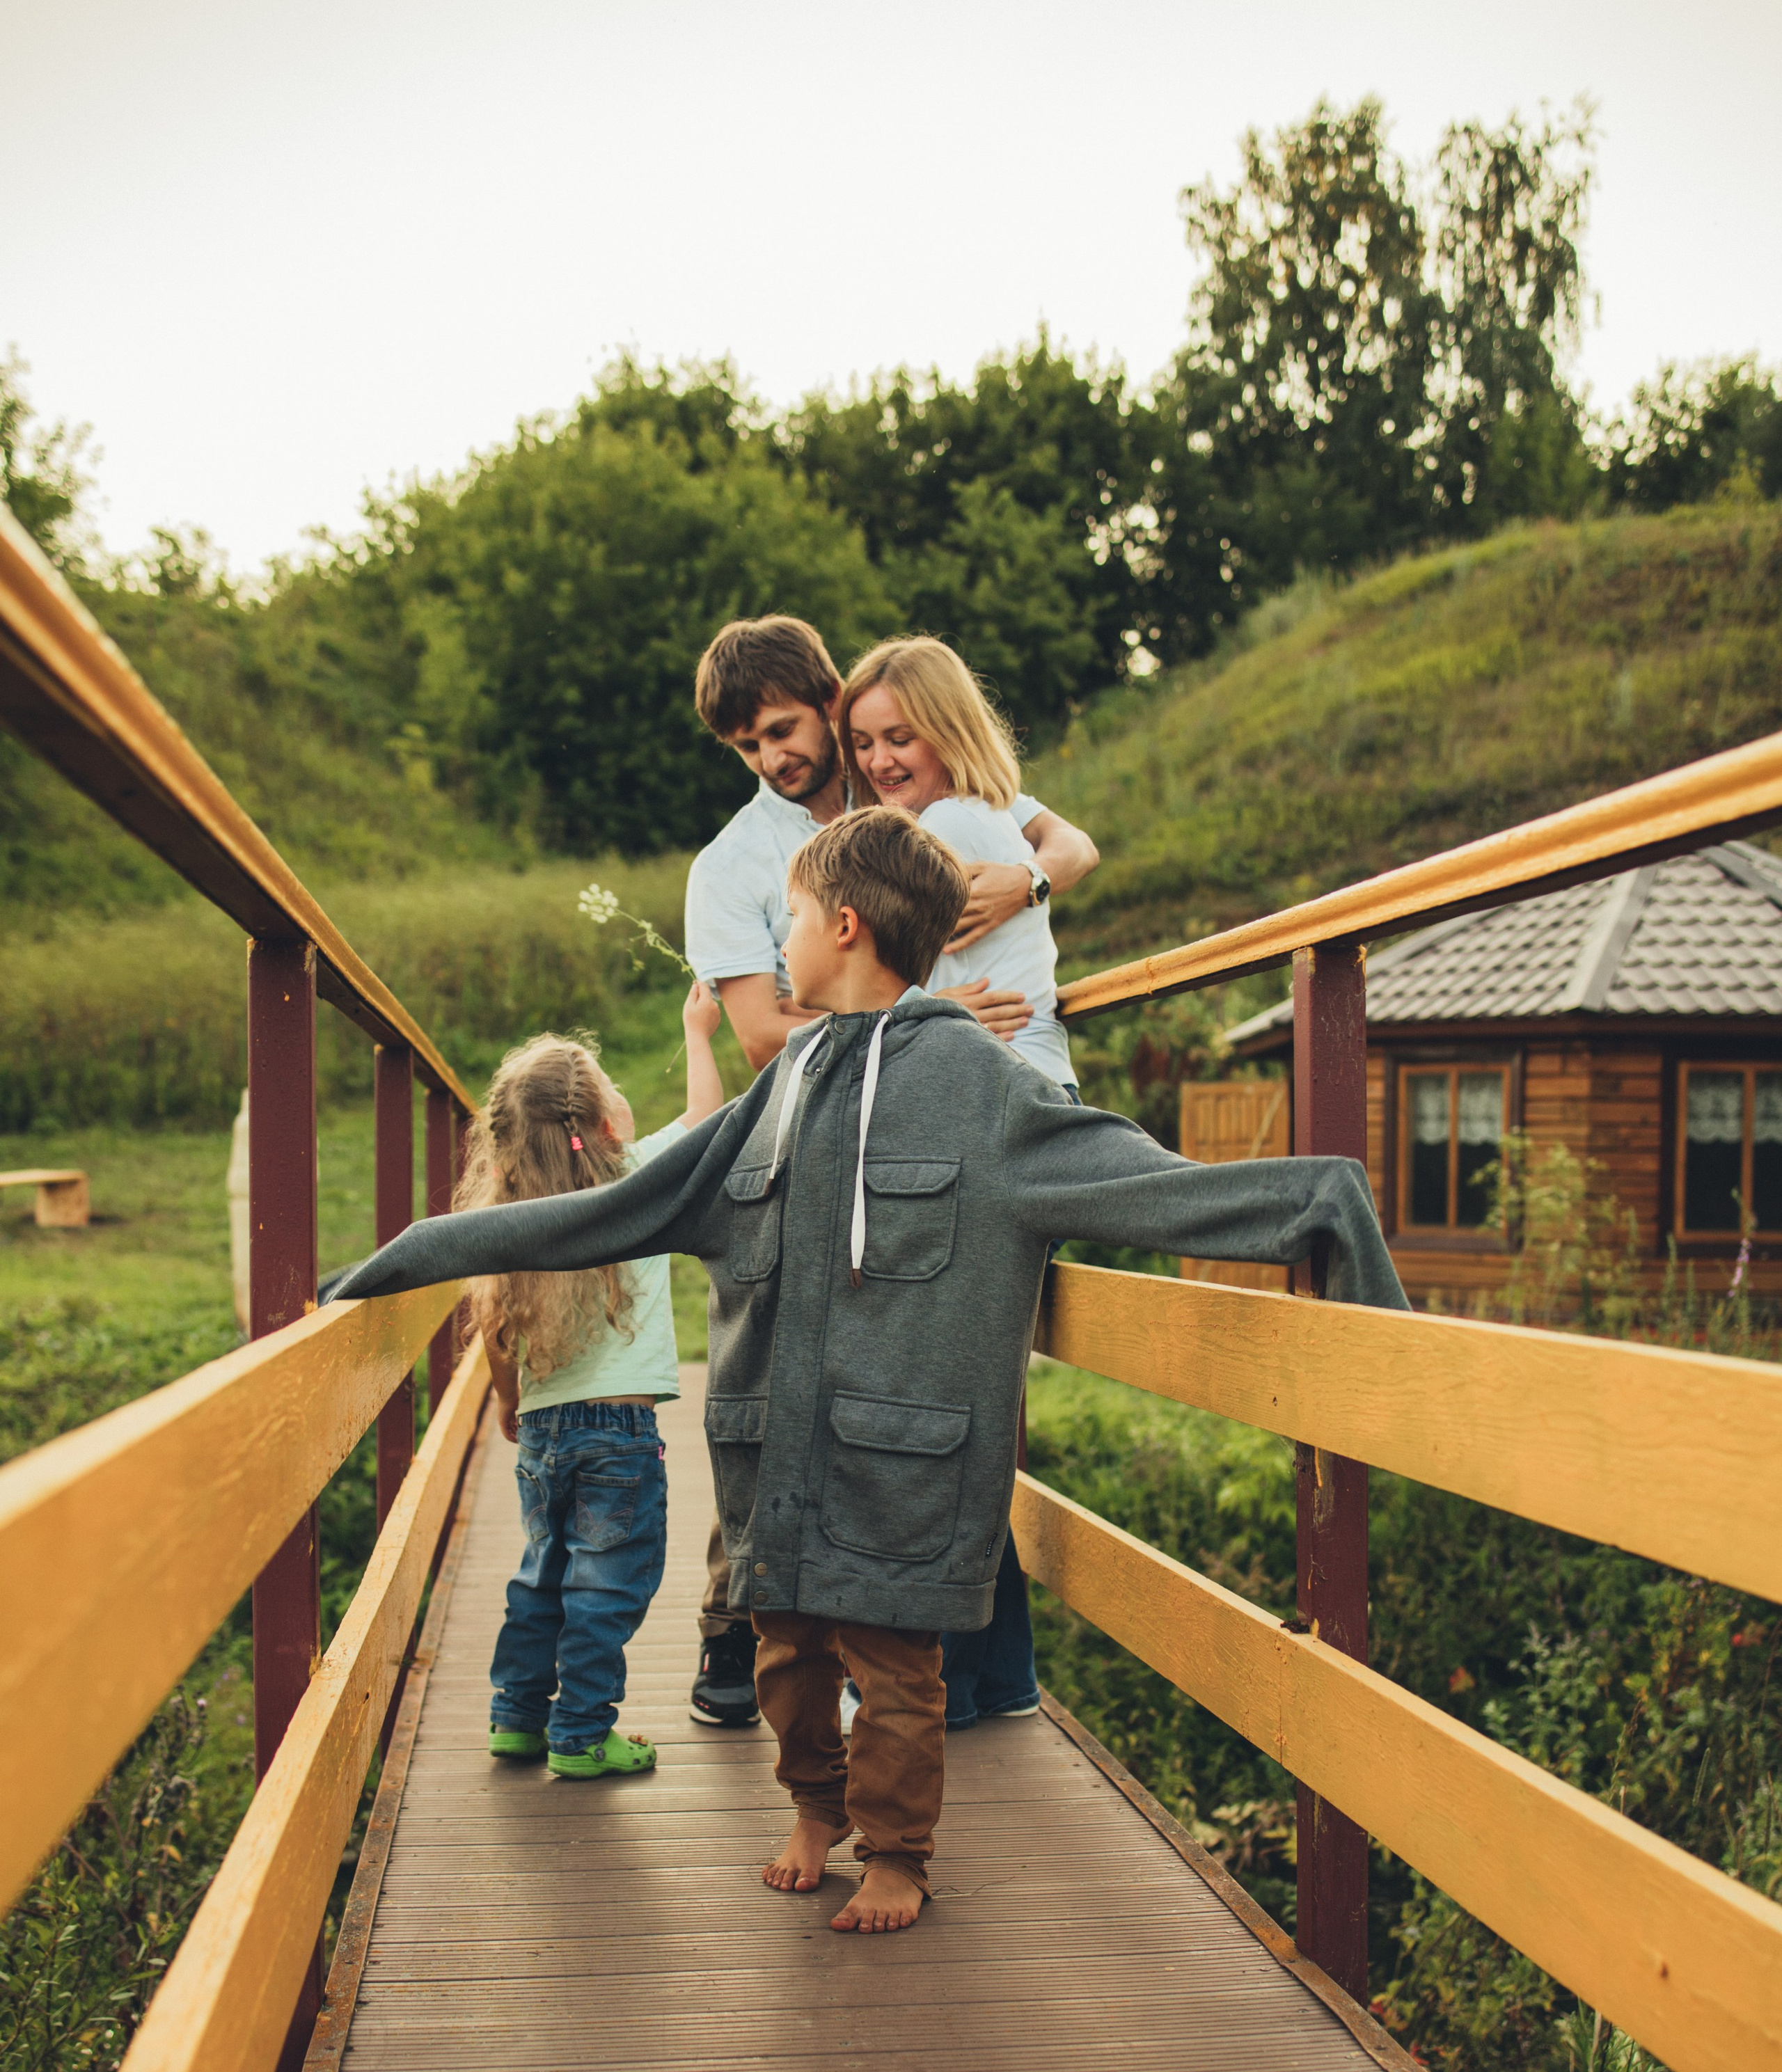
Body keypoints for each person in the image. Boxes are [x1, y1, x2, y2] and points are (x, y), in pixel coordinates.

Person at [329, 807, 1409, 1934]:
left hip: (903, 1472)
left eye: (790, 915)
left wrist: (1324, 1205)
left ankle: (896, 1853)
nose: (780, 935)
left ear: (842, 926)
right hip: (773, 1464)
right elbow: (599, 1215)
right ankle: (814, 1811)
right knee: (785, 1662)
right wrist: (401, 1263)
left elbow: (1148, 1184)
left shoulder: (982, 1088)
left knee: (895, 1674)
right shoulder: (780, 1092)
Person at [681, 612, 1100, 1730]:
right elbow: (766, 1035)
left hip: (940, 1117)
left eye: (783, 728)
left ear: (830, 699)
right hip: (824, 1122)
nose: (775, 758)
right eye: (746, 746)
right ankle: (747, 1626)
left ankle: (963, 1670)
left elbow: (1063, 843)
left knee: (944, 1372)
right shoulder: (734, 866)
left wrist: (1032, 885)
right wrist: (931, 1017)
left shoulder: (915, 793)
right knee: (818, 1360)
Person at [839, 635, 1074, 1730]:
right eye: (866, 743)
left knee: (922, 1406)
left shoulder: (941, 836)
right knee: (963, 1401)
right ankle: (986, 1678)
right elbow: (1061, 846)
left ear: (947, 725)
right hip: (1011, 1108)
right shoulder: (989, 814)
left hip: (985, 1115)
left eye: (901, 735)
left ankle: (931, 1687)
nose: (883, 759)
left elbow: (877, 981)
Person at [466, 982, 726, 1780]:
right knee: (607, 1586)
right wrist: (698, 1030)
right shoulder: (635, 1183)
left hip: (543, 1430)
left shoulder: (508, 1211)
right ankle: (579, 1733)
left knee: (542, 1571)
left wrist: (509, 1404)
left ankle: (516, 1718)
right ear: (606, 1124)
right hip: (619, 1436)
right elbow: (709, 1123)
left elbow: (494, 1332)